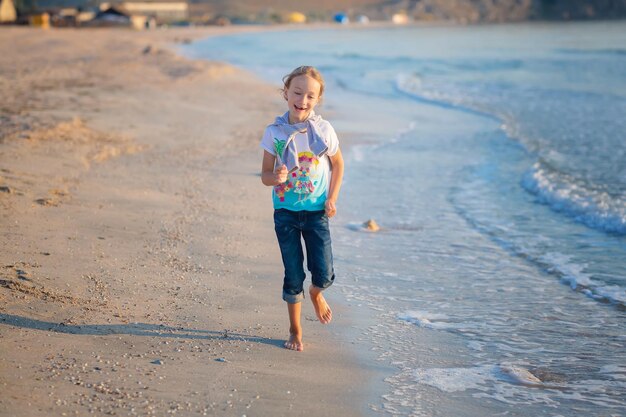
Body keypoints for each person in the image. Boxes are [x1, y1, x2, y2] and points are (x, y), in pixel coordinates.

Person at [260, 66, 344, 352]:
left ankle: (316, 294)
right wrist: (276, 178)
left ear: (317, 100)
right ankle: (295, 331)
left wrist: (332, 198)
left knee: (324, 273)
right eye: (297, 92)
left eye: (310, 95)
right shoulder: (274, 132)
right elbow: (265, 175)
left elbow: (338, 164)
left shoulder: (324, 131)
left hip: (316, 212)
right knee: (293, 274)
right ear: (286, 93)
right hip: (285, 213)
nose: (303, 100)